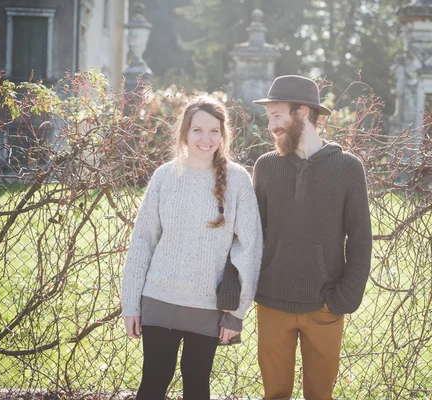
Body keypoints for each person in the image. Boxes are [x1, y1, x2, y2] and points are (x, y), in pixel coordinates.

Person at [121, 96, 263, 400]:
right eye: (198, 130)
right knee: (153, 382)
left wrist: (236, 313)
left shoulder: (237, 180)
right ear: (184, 132)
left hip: (208, 305)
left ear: (223, 135)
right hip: (159, 298)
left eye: (214, 131)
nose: (206, 139)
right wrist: (131, 304)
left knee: (197, 386)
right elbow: (142, 242)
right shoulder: (165, 176)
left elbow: (250, 248)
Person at [252, 75, 373, 400]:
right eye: (270, 117)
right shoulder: (266, 167)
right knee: (274, 395)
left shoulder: (348, 168)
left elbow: (361, 241)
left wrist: (343, 299)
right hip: (273, 303)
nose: (271, 125)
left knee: (320, 396)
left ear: (302, 113)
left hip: (324, 306)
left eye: (277, 116)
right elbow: (253, 234)